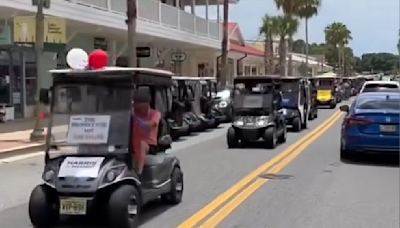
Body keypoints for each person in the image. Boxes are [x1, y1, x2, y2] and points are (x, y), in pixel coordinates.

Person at [132, 87, 161, 174]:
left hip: (149, 144)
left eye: (141, 104)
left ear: (148, 103)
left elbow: (154, 123)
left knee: (141, 144)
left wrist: (143, 124)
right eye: (136, 103)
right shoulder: (132, 113)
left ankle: (138, 172)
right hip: (131, 142)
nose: (138, 107)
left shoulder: (155, 113)